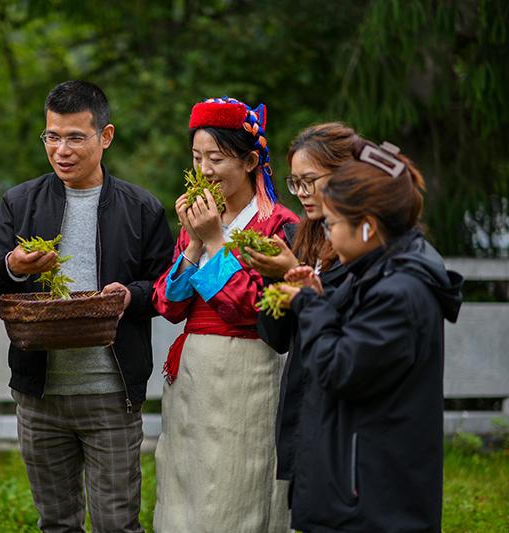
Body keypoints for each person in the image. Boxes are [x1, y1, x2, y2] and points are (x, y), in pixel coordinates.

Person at [0, 80, 173, 533]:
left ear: (105, 137)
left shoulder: (140, 208)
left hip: (111, 392)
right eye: (52, 136)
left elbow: (165, 286)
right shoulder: (20, 202)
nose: (61, 150)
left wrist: (130, 296)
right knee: (56, 523)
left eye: (75, 137)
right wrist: (14, 266)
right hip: (40, 393)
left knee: (116, 523)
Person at [278, 140, 463, 532]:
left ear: (368, 225)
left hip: (370, 504)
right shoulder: (378, 275)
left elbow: (338, 369)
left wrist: (310, 306)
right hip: (357, 493)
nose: (328, 235)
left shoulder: (398, 292)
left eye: (332, 224)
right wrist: (318, 299)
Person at [151, 96, 299, 533]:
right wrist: (195, 242)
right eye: (197, 158)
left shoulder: (278, 224)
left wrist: (215, 240)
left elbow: (251, 309)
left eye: (216, 158)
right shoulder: (199, 222)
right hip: (193, 369)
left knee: (238, 482)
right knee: (187, 479)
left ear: (250, 161)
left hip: (248, 368)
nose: (204, 170)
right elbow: (169, 306)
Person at [250, 123, 360, 498]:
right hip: (303, 396)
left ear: (345, 175)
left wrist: (293, 272)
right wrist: (273, 276)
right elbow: (276, 337)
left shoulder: (363, 247)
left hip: (344, 403)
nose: (301, 193)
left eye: (310, 181)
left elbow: (350, 324)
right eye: (295, 183)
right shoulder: (299, 236)